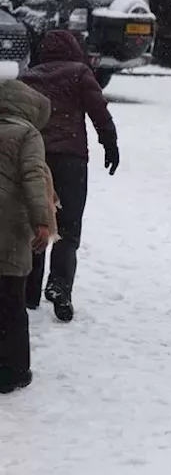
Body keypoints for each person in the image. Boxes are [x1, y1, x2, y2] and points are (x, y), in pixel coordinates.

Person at [18, 30, 119, 323]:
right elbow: (99, 111)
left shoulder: (28, 78)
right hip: (72, 161)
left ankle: (29, 291)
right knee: (69, 227)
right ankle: (60, 286)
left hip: (36, 159)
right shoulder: (79, 73)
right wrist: (109, 143)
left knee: (35, 223)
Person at [0, 79, 53, 394]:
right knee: (11, 301)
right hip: (11, 223)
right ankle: (13, 370)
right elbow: (34, 175)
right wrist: (42, 221)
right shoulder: (27, 134)